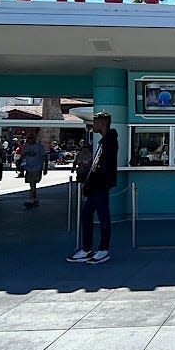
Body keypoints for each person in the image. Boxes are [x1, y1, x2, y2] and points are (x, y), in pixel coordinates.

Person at [67, 111, 119, 265]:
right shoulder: (104, 141)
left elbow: (104, 167)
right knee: (86, 215)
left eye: (95, 122)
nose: (93, 125)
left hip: (100, 185)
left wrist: (94, 179)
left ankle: (103, 249)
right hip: (95, 185)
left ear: (102, 124)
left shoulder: (109, 142)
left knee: (103, 216)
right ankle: (87, 248)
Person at [20, 134, 48, 207]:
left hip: (37, 168)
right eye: (28, 138)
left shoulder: (39, 147)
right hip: (29, 168)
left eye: (31, 138)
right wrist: (19, 163)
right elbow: (22, 156)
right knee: (32, 184)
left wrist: (45, 168)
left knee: (33, 183)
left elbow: (45, 156)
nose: (29, 140)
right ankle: (34, 198)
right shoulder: (26, 147)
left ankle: (31, 198)